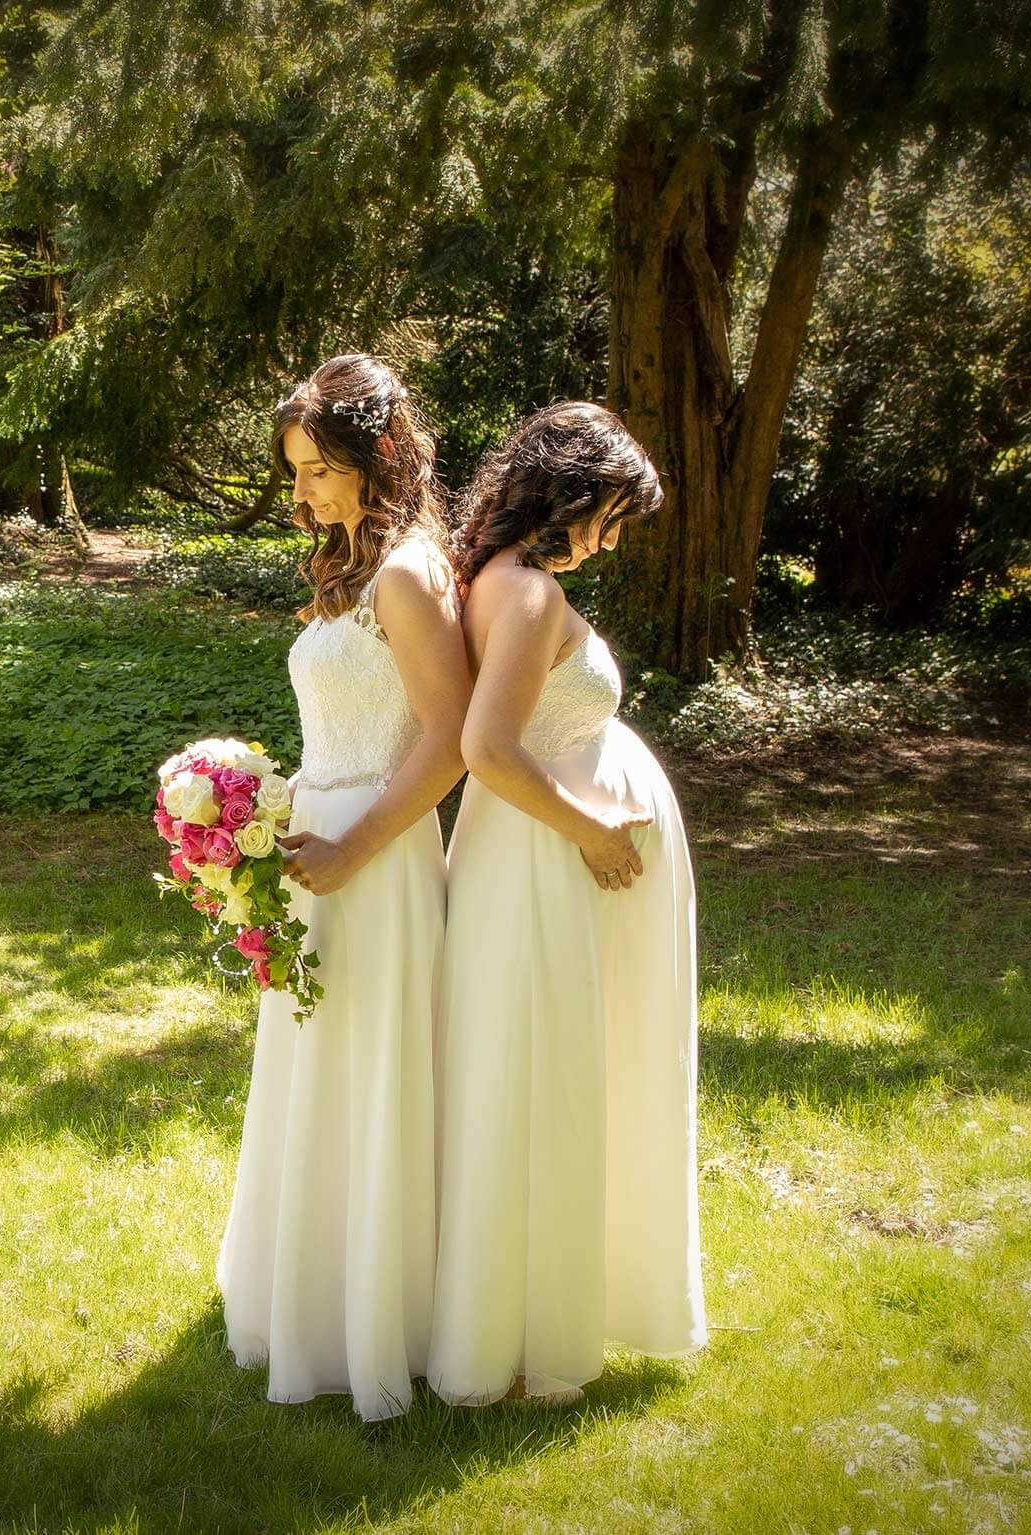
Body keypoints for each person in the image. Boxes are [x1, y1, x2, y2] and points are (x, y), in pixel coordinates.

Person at [428, 401, 710, 1408]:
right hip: (543, 861)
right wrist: (592, 828)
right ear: (574, 493)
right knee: (538, 1082)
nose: (614, 540)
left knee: (536, 1072)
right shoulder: (529, 592)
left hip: (532, 858)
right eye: (613, 516)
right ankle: (513, 1336)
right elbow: (488, 748)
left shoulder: (494, 579)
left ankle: (521, 1313)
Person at [215, 352, 470, 1421]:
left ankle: (378, 1315)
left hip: (376, 852)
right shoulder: (349, 566)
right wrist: (261, 811)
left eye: (319, 468)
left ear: (380, 454)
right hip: (317, 841)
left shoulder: (407, 573)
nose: (305, 491)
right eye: (295, 472)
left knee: (371, 1069)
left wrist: (355, 845)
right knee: (317, 1067)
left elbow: (451, 739)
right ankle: (313, 1290)